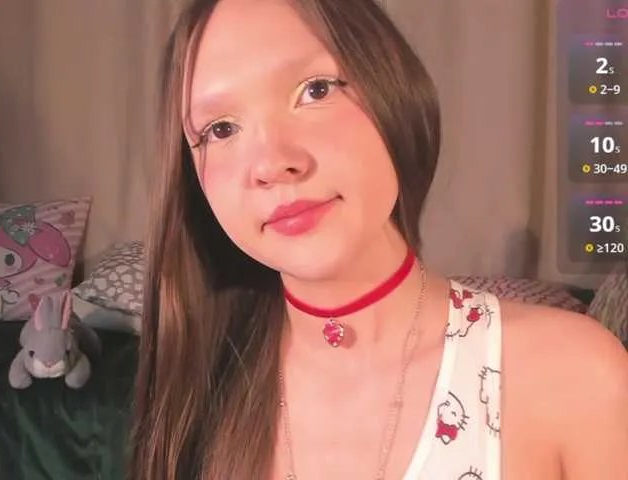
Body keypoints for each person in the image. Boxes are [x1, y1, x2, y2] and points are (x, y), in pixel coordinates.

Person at [129, 0, 628, 479]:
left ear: (392, 89)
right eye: (220, 129)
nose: (272, 163)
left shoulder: (573, 372)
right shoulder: (196, 389)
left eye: (315, 90)